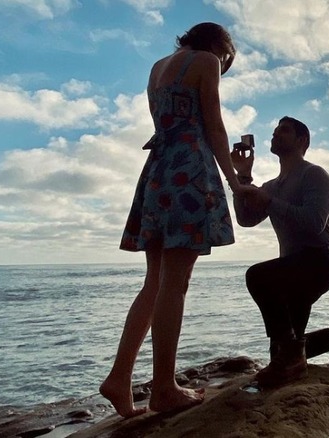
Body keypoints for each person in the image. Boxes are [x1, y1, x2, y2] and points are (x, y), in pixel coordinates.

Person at [99, 22, 242, 417]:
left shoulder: (158, 67)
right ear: (219, 45)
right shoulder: (206, 60)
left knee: (155, 283)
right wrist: (233, 179)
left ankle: (119, 377)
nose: (224, 63)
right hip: (189, 170)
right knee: (175, 283)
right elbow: (212, 123)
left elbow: (163, 123)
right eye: (226, 56)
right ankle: (163, 387)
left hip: (158, 171)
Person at [231, 116, 329, 387]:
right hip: (290, 269)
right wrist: (243, 176)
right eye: (275, 130)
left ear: (302, 141)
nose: (275, 133)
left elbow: (314, 224)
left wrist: (270, 202)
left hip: (318, 263)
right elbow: (245, 219)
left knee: (257, 276)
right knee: (280, 355)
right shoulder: (271, 185)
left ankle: (294, 356)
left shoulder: (314, 175)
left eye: (284, 130)